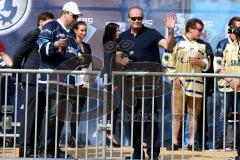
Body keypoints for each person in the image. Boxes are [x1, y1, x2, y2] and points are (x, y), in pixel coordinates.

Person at [119, 6, 176, 159]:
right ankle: (137, 152)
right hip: (129, 86)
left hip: (149, 85)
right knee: (132, 121)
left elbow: (168, 46)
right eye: (134, 18)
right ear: (128, 19)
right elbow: (115, 58)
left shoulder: (152, 33)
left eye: (139, 18)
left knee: (149, 119)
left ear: (142, 19)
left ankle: (153, 152)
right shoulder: (122, 36)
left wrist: (170, 31)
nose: (137, 21)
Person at [37, 1, 82, 158]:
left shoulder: (70, 34)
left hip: (67, 82)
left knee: (61, 117)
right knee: (52, 115)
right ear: (65, 13)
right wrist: (55, 44)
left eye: (77, 16)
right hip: (53, 80)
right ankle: (44, 149)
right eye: (74, 16)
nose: (76, 19)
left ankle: (54, 149)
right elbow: (41, 48)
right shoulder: (51, 27)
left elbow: (72, 58)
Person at [162, 18, 210, 151]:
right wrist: (174, 76)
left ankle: (192, 142)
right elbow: (167, 59)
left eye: (202, 30)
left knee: (194, 115)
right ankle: (175, 142)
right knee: (177, 114)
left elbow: (208, 63)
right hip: (180, 83)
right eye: (199, 29)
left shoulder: (203, 44)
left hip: (197, 84)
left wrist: (201, 63)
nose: (201, 32)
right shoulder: (177, 40)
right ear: (190, 29)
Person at [12, 12, 54, 157]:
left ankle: (35, 146)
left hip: (43, 79)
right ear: (41, 22)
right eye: (48, 24)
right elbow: (18, 54)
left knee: (40, 114)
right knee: (30, 113)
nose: (51, 27)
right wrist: (17, 74)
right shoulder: (34, 34)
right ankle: (25, 147)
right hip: (31, 79)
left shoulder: (48, 37)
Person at [213, 16, 240, 160]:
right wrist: (230, 79)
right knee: (223, 115)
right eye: (236, 27)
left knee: (238, 117)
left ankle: (235, 145)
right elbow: (217, 66)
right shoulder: (222, 44)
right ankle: (219, 143)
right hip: (225, 86)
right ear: (230, 28)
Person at [69, 21, 92, 147]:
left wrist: (87, 81)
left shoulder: (87, 46)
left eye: (85, 30)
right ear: (75, 30)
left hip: (83, 82)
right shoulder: (70, 44)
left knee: (77, 111)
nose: (84, 32)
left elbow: (90, 65)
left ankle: (73, 138)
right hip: (71, 81)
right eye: (81, 30)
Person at [102, 22, 121, 147]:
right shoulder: (111, 45)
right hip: (110, 80)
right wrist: (112, 81)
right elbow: (109, 64)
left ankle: (110, 133)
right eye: (117, 30)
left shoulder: (113, 44)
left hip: (111, 79)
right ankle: (109, 134)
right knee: (111, 108)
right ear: (112, 32)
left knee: (113, 108)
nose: (119, 32)